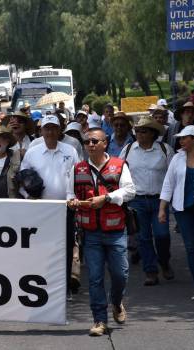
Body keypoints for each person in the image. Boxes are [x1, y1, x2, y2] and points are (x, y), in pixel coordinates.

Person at [67, 127, 136, 337]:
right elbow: (70, 193)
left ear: (105, 143)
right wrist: (73, 202)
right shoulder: (77, 168)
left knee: (120, 273)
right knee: (95, 278)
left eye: (95, 141)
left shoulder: (118, 165)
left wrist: (106, 198)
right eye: (87, 142)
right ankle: (99, 320)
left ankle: (116, 302)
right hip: (90, 233)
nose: (90, 145)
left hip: (115, 230)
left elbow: (130, 191)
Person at [21, 115, 80, 299]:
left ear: (59, 130)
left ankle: (65, 288)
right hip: (41, 208)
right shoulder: (33, 152)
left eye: (53, 128)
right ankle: (43, 286)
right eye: (46, 128)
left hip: (65, 208)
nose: (50, 132)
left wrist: (74, 198)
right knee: (43, 247)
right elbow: (23, 178)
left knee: (66, 247)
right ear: (41, 131)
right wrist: (27, 195)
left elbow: (78, 176)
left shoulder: (70, 150)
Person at [159, 125, 194, 300]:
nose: (180, 141)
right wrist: (162, 208)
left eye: (184, 138)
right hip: (183, 209)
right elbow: (168, 183)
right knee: (191, 248)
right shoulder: (176, 159)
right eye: (180, 138)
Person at [119, 117, 175, 286]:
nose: (139, 134)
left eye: (144, 131)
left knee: (162, 235)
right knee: (143, 238)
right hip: (136, 201)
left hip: (160, 200)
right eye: (137, 131)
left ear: (153, 133)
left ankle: (164, 262)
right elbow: (120, 171)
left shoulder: (165, 150)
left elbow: (173, 175)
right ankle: (150, 271)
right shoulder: (128, 149)